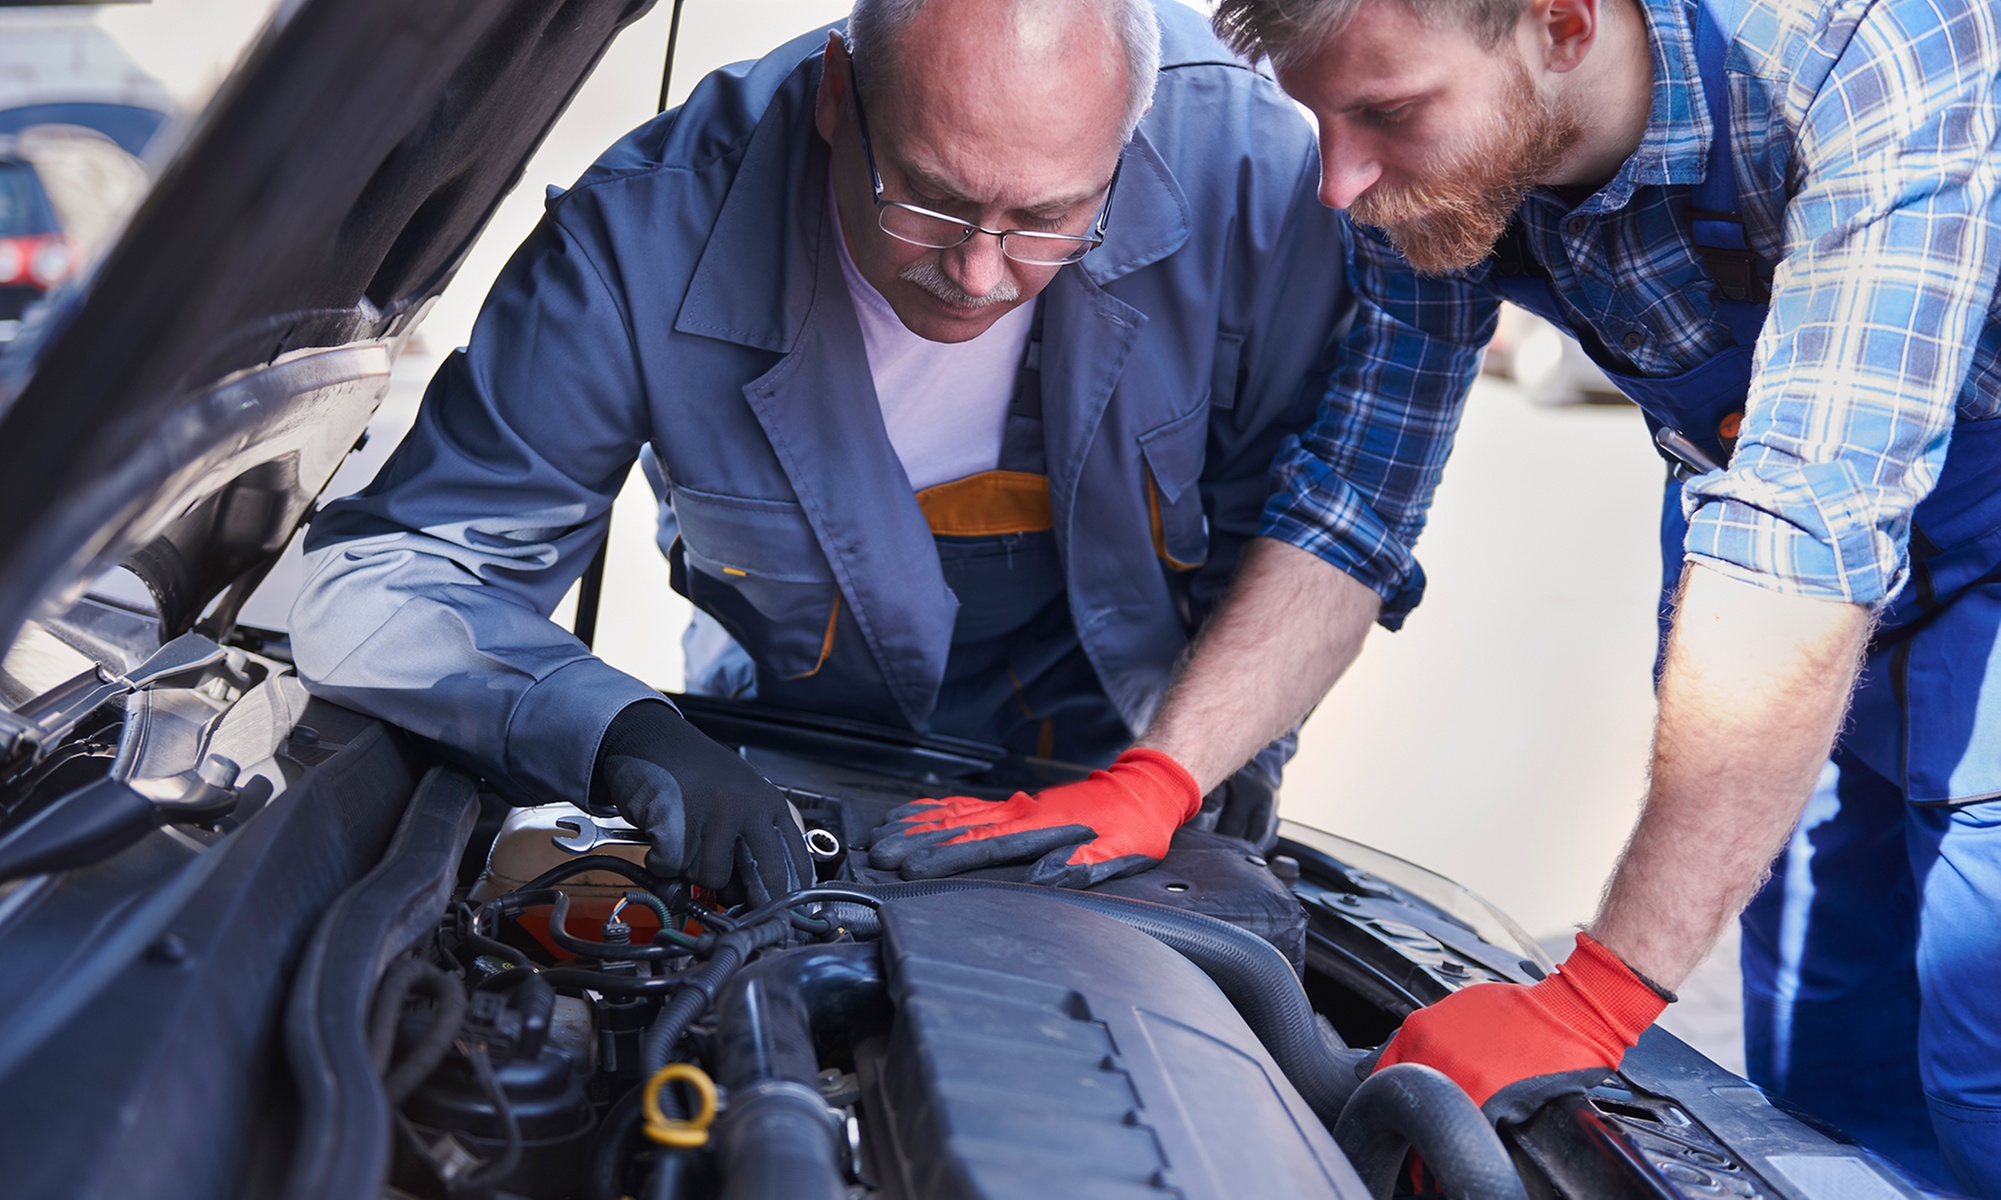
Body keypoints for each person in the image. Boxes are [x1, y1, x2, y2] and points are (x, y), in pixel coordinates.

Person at [884, 0, 1999, 1187]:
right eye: (1321, 119)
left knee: (1980, 1060)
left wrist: (1597, 994)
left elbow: (1802, 541)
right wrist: (1159, 773)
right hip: (1760, 526)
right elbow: (1357, 496)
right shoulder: (1430, 173)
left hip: (1873, 542)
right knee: (1823, 1053)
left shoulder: (1856, 50)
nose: (1338, 178)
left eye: (1387, 113)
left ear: (1562, 27)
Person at [290, 0, 1352, 902]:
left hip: (1122, 793)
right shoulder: (646, 240)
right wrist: (618, 732)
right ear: (841, 92)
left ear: (1131, 135)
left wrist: (1208, 793)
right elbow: (389, 577)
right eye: (930, 198)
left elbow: (1319, 537)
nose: (979, 275)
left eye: (1048, 218)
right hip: (789, 767)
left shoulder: (1257, 181)